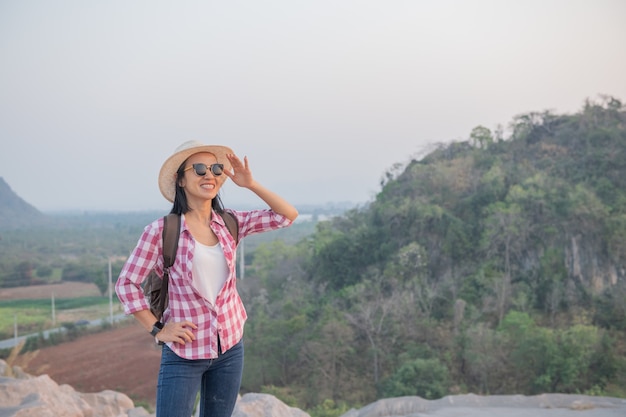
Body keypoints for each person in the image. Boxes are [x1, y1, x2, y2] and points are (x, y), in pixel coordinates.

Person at [115, 140, 298, 417]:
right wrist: (157, 329)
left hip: (230, 348)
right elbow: (126, 283)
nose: (209, 174)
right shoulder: (162, 231)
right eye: (199, 168)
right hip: (184, 352)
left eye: (215, 168)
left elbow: (287, 216)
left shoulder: (229, 223)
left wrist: (250, 184)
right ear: (180, 179)